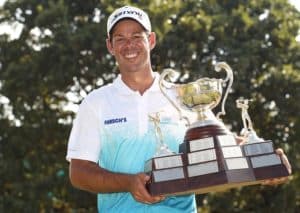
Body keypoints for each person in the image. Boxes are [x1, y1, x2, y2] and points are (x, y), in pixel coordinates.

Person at [66, 5, 291, 212]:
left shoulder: (182, 95)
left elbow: (217, 141)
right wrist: (128, 182)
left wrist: (265, 156)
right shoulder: (96, 102)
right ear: (110, 46)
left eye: (137, 36)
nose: (129, 45)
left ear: (151, 40)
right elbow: (79, 172)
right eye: (120, 38)